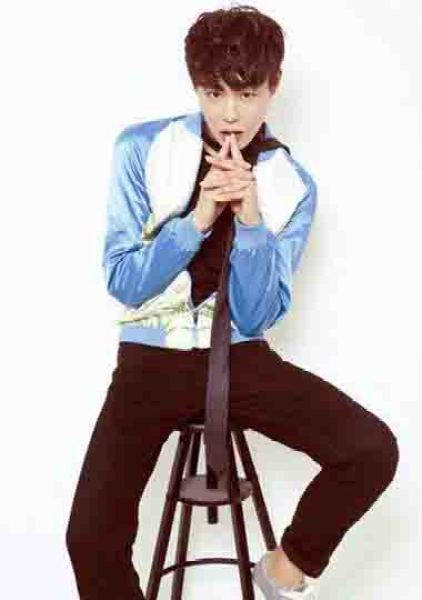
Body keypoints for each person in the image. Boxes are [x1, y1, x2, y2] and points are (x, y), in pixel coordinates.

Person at [65, 5, 400, 599]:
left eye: (246, 94)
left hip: (240, 358)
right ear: (195, 85)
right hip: (151, 359)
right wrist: (198, 219)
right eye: (214, 92)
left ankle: (283, 570)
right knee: (89, 537)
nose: (229, 113)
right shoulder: (141, 149)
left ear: (274, 87)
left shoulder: (292, 185)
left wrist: (249, 222)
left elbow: (255, 314)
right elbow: (124, 281)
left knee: (371, 450)